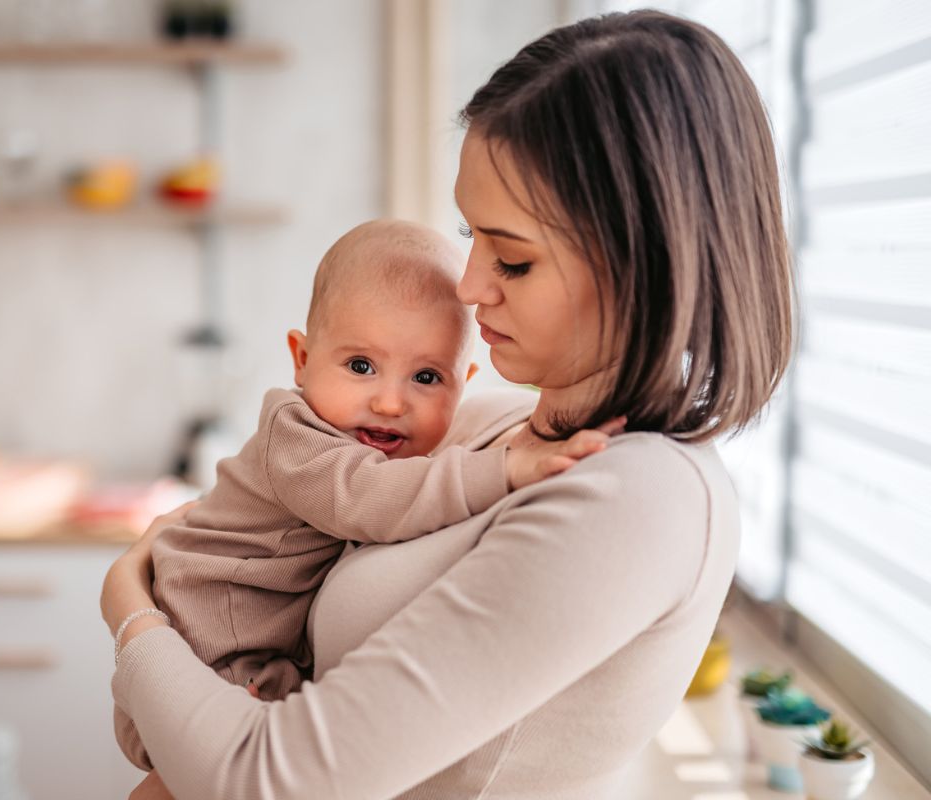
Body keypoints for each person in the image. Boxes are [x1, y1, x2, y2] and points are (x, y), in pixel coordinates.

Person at [101, 9, 794, 799]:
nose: (468, 288)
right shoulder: (498, 428)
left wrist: (129, 609)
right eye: (471, 236)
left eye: (514, 259)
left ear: (643, 262)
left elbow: (270, 781)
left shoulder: (638, 499)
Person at [113, 218, 620, 771]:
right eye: (361, 366)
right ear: (301, 359)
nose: (388, 402)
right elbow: (369, 497)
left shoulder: (434, 435)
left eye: (426, 378)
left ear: (464, 382)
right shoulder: (296, 432)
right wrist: (508, 470)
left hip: (256, 653)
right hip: (208, 642)